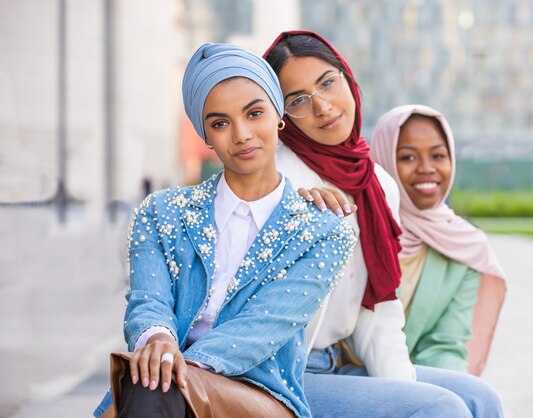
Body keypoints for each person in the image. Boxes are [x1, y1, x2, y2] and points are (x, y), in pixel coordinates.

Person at [93, 42, 356, 418]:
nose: (242, 134)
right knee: (153, 385)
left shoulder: (321, 229)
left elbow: (263, 326)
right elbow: (147, 302)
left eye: (254, 113)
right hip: (160, 389)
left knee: (153, 385)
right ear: (205, 135)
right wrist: (159, 339)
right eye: (220, 123)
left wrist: (177, 367)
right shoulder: (160, 212)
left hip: (262, 396)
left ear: (278, 115)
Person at [264, 30, 503, 418]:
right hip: (285, 374)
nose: (323, 107)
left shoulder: (378, 184)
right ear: (282, 114)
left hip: (339, 364)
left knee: (480, 398)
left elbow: (379, 313)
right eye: (298, 100)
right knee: (440, 408)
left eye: (327, 82)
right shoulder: (277, 175)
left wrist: (402, 390)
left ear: (348, 78)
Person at [370, 104, 507, 376]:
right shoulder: (361, 224)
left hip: (411, 377)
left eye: (438, 155)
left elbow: (445, 345)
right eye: (408, 158)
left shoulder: (465, 246)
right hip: (339, 372)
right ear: (384, 160)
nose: (426, 169)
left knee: (474, 398)